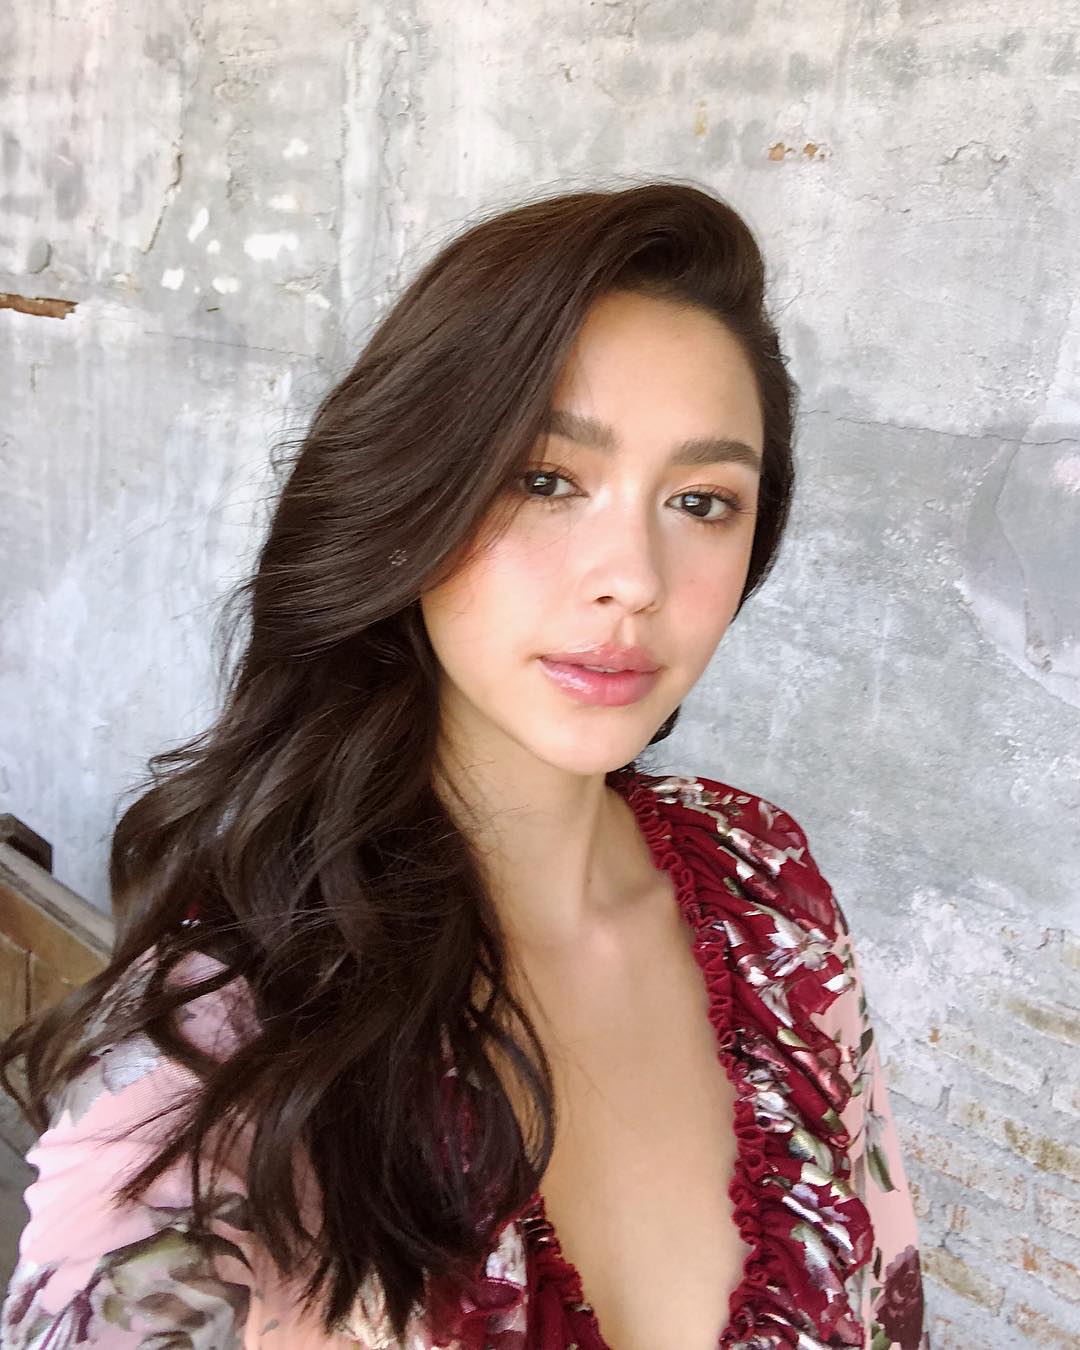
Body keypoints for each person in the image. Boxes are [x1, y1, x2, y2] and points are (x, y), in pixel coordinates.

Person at [0, 182, 928, 1350]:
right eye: (544, 479)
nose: (634, 577)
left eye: (702, 501)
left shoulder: (765, 889)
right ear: (411, 494)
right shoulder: (223, 1053)